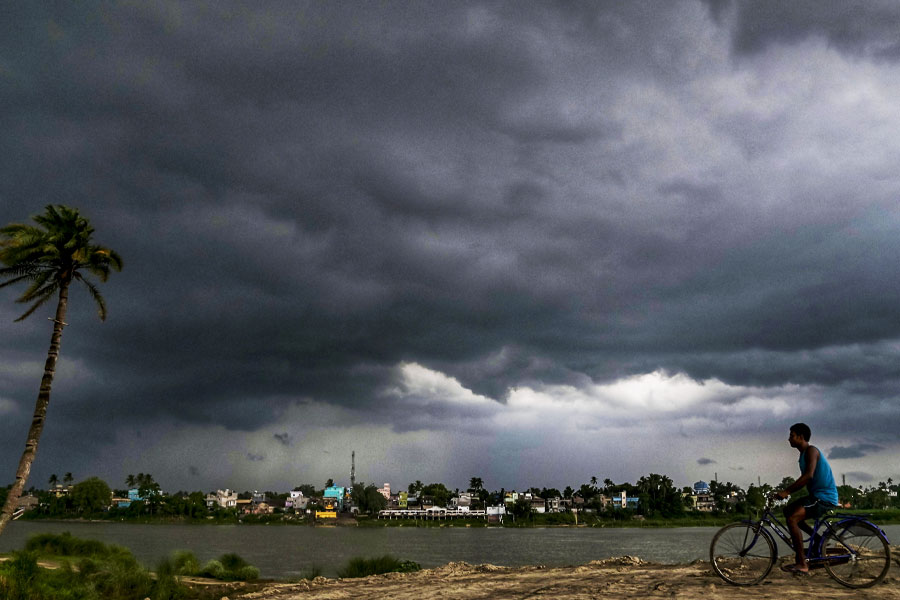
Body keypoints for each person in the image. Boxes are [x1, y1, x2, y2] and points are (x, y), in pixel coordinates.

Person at [774, 423, 839, 574]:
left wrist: (787, 491)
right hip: (816, 496)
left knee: (792, 519)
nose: (789, 439)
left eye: (792, 435)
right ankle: (817, 540)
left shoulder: (811, 451)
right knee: (788, 510)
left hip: (823, 498)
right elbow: (806, 478)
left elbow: (808, 476)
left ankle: (802, 563)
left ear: (801, 437)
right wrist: (784, 493)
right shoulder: (803, 455)